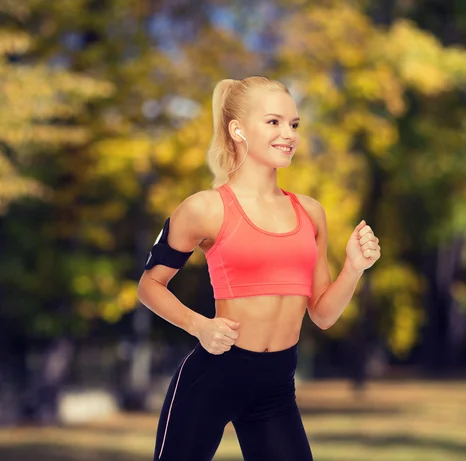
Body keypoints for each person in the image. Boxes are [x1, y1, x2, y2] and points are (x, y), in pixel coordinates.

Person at [137, 76, 381, 461]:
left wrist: (354, 267)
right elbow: (149, 285)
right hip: (213, 378)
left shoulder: (310, 212)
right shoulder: (204, 208)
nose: (289, 134)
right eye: (274, 122)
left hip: (276, 388)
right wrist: (200, 325)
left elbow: (322, 314)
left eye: (294, 124)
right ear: (238, 130)